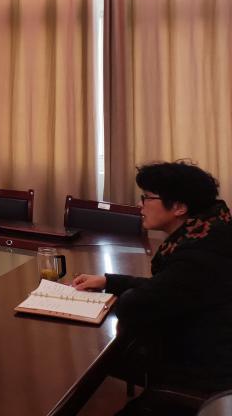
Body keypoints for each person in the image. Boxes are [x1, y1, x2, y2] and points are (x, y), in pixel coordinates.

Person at [73, 161, 232, 413]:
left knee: (89, 360)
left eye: (147, 198)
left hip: (204, 376)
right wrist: (109, 281)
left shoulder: (199, 252)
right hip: (203, 355)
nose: (140, 205)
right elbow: (166, 287)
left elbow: (135, 306)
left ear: (179, 207)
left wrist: (125, 294)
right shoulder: (209, 233)